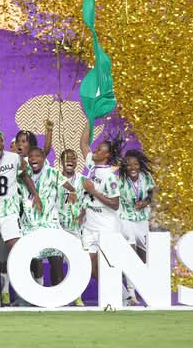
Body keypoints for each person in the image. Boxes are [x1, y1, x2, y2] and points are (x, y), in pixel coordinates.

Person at [0, 130, 40, 307]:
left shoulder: (14, 158)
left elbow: (24, 176)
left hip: (9, 212)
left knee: (18, 251)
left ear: (3, 142)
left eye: (0, 141)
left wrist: (36, 195)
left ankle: (25, 295)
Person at [21, 147, 76, 296]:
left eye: (37, 156)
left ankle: (59, 296)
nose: (34, 159)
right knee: (33, 260)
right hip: (30, 224)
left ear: (44, 158)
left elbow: (69, 186)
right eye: (31, 156)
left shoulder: (52, 172)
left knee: (55, 260)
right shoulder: (23, 173)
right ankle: (37, 294)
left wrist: (72, 191)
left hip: (50, 223)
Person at [79, 120, 122, 281]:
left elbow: (115, 204)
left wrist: (93, 191)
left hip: (106, 227)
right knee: (89, 267)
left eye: (99, 150)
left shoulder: (109, 176)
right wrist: (90, 119)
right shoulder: (92, 166)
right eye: (96, 148)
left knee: (106, 269)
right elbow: (83, 143)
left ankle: (121, 293)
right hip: (90, 226)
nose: (95, 151)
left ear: (107, 155)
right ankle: (118, 292)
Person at [118, 149, 156, 304]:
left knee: (143, 258)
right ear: (124, 166)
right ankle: (131, 294)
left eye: (135, 164)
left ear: (140, 165)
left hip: (142, 220)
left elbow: (151, 193)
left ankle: (142, 288)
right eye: (129, 164)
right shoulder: (120, 180)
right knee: (131, 254)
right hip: (125, 219)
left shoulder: (146, 177)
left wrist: (145, 202)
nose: (132, 167)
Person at [57, 148, 86, 306]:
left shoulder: (82, 180)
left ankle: (77, 295)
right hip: (57, 226)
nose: (70, 160)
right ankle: (62, 296)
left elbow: (88, 201)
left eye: (73, 158)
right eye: (67, 158)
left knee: (75, 261)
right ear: (61, 161)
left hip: (75, 228)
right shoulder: (55, 178)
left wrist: (81, 216)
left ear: (77, 162)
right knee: (57, 263)